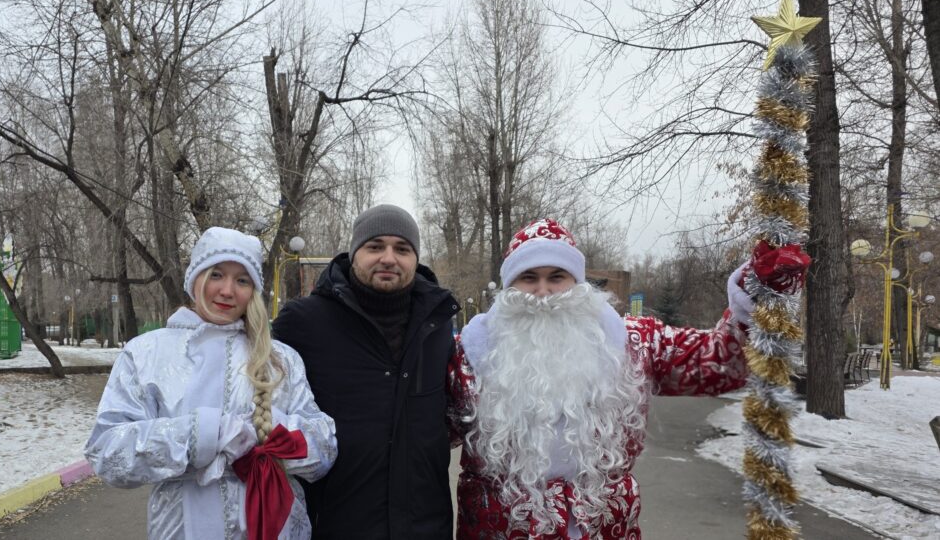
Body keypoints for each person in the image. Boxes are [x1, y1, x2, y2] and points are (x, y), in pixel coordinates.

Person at [447, 218, 809, 539]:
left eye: (556, 277)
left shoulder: (631, 342)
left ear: (577, 283)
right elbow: (422, 434)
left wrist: (759, 295)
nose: (543, 291)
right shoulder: (469, 355)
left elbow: (719, 362)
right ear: (510, 286)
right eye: (529, 277)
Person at [86, 227, 337, 539]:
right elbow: (108, 453)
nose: (227, 291)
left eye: (242, 280)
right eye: (216, 274)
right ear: (195, 278)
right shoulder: (147, 353)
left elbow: (324, 451)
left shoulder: (281, 359)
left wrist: (269, 433)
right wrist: (203, 434)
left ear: (254, 290)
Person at [272, 204, 460, 539]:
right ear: (354, 252)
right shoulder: (303, 323)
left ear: (415, 259)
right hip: (336, 526)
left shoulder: (437, 325)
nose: (388, 258)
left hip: (425, 526)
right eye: (375, 246)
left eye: (402, 249)